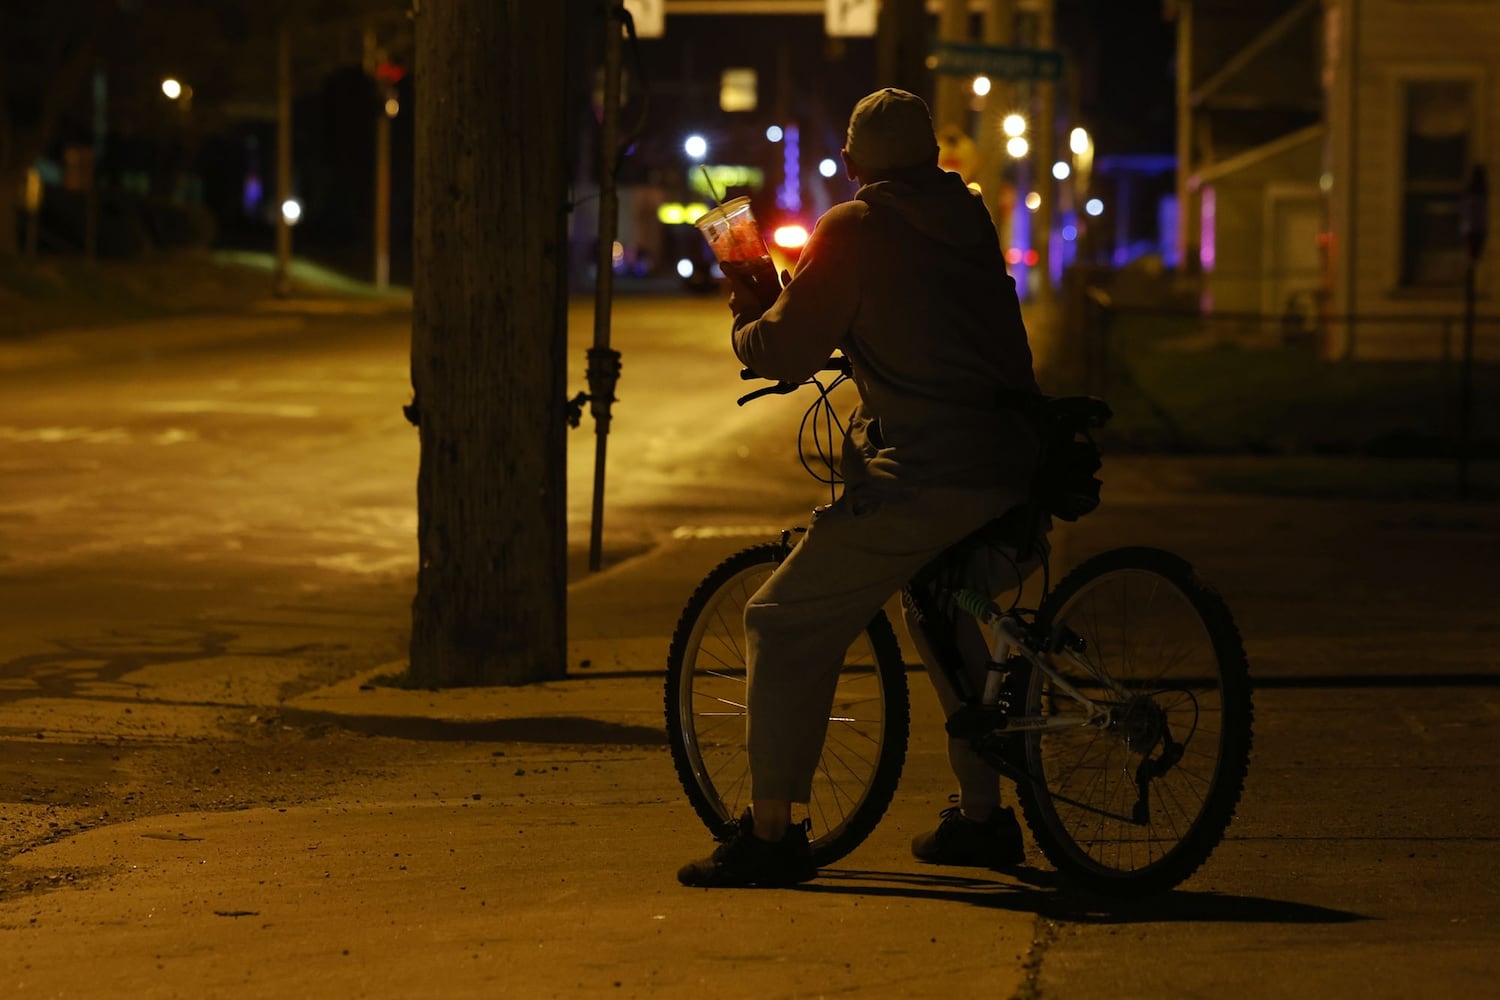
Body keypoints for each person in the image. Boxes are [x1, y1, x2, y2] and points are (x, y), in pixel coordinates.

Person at [677, 88, 1045, 888]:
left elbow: (781, 349)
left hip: (930, 472)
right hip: (1017, 462)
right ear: (932, 160)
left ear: (852, 165)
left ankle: (771, 832)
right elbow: (925, 320)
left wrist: (751, 308)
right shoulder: (969, 216)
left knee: (777, 619)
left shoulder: (852, 228)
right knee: (940, 607)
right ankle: (985, 818)